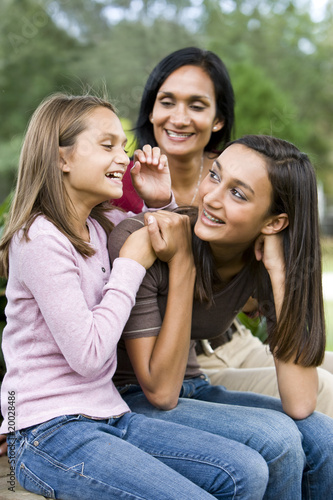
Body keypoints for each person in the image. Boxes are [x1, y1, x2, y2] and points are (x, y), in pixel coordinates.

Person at [0, 93, 273, 500]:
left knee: (245, 471)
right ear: (62, 158)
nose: (123, 159)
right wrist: (128, 265)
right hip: (48, 431)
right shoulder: (40, 238)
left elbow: (174, 242)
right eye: (107, 145)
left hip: (107, 414)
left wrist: (159, 200)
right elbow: (89, 356)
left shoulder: (100, 224)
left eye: (123, 147)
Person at [112, 46, 333, 417]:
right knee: (325, 396)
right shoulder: (117, 183)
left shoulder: (244, 169)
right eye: (167, 101)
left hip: (230, 341)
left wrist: (272, 275)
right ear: (151, 109)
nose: (179, 118)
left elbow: (240, 297)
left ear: (218, 119)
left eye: (197, 105)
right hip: (170, 360)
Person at [109, 135, 333, 499]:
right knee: (276, 440)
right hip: (127, 398)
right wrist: (182, 263)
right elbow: (160, 393)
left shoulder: (259, 260)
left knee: (324, 437)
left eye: (238, 194)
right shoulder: (147, 238)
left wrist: (278, 272)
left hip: (192, 390)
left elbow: (301, 402)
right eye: (214, 176)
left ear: (275, 223)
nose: (211, 197)